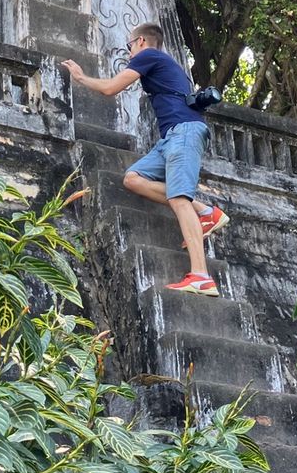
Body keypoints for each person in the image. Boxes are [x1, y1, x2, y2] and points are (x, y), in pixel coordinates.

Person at [61, 24, 227, 294]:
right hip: (171, 138)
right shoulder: (165, 64)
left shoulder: (149, 56)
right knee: (133, 179)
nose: (129, 54)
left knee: (178, 199)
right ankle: (206, 212)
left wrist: (81, 78)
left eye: (128, 47)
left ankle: (201, 276)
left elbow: (111, 88)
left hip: (183, 133)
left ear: (140, 42)